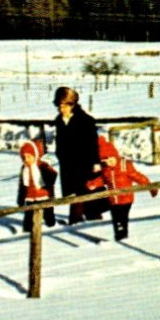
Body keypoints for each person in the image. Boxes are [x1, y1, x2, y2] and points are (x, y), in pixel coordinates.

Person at [52, 86, 102, 223]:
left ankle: (93, 222)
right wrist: (59, 154)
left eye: (64, 105)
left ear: (72, 104)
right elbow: (60, 141)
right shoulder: (59, 120)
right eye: (59, 105)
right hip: (68, 164)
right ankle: (76, 220)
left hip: (84, 163)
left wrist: (96, 162)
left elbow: (93, 143)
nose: (61, 109)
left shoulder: (86, 121)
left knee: (86, 192)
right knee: (73, 193)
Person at [88, 135, 152, 241]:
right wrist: (93, 184)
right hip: (113, 199)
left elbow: (137, 176)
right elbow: (103, 180)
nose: (109, 162)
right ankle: (119, 236)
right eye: (105, 160)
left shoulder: (125, 166)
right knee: (116, 219)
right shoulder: (106, 169)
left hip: (126, 198)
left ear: (115, 155)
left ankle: (123, 236)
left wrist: (150, 186)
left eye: (111, 158)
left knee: (122, 218)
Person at [17, 139, 58, 231]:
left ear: (34, 155)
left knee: (48, 214)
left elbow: (53, 174)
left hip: (44, 195)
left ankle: (52, 227)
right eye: (24, 157)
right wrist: (20, 198)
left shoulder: (42, 165)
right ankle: (27, 230)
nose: (26, 159)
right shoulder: (24, 169)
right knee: (29, 216)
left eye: (28, 156)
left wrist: (47, 185)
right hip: (30, 197)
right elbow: (22, 185)